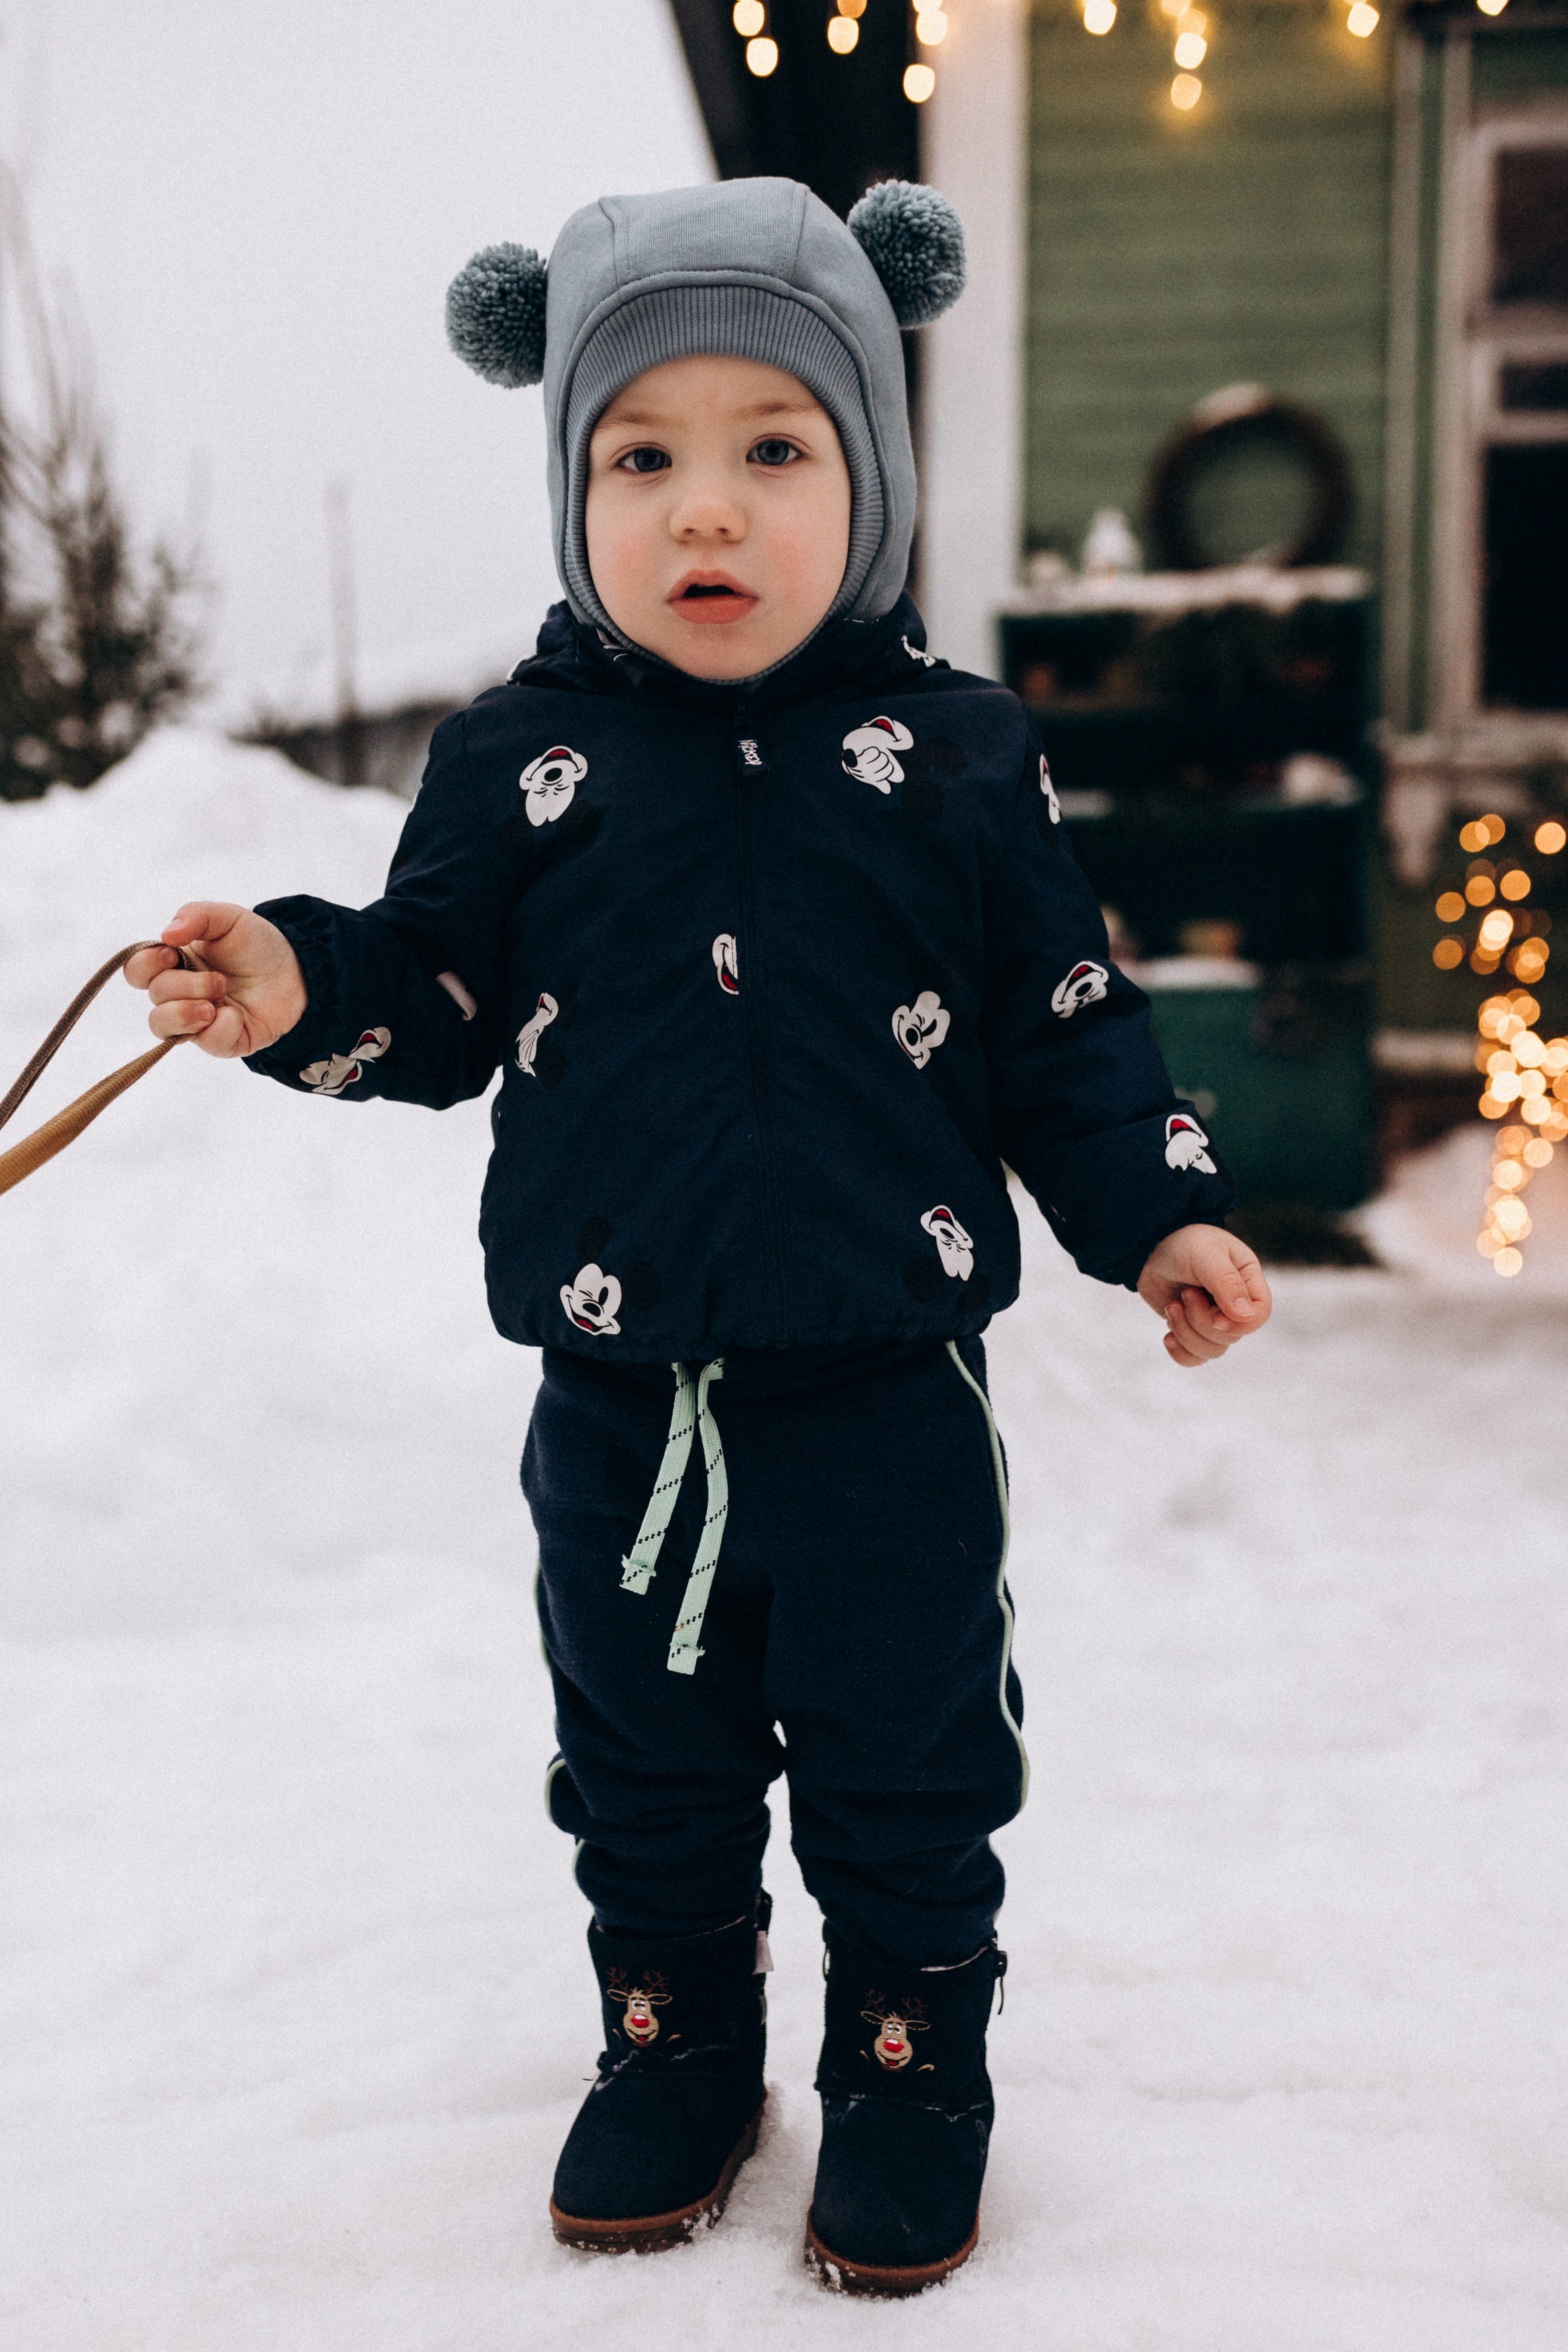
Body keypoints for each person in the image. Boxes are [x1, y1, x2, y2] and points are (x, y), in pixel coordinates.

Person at [127, 177, 1271, 2297]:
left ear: (874, 474)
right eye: (639, 457)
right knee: (639, 1750)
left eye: (775, 448)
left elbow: (1064, 1031)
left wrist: (1161, 1216)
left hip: (886, 1390)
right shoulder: (518, 757)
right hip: (618, 1385)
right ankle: (675, 2037)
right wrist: (300, 985)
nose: (705, 512)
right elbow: (435, 992)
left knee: (908, 1745)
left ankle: (915, 2053)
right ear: (572, 490)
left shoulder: (954, 756)